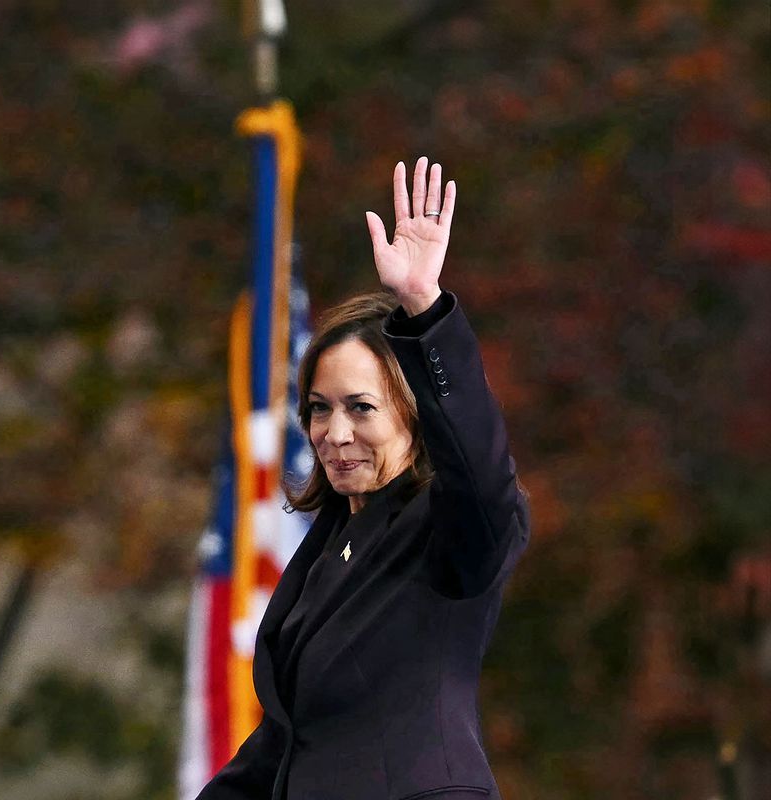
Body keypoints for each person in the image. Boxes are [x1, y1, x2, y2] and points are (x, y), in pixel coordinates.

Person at [196, 158, 530, 800]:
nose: (334, 432)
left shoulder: (452, 530)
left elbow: (482, 473)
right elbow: (283, 749)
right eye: (319, 408)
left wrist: (425, 312)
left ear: (412, 413)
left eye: (361, 407)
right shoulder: (325, 549)